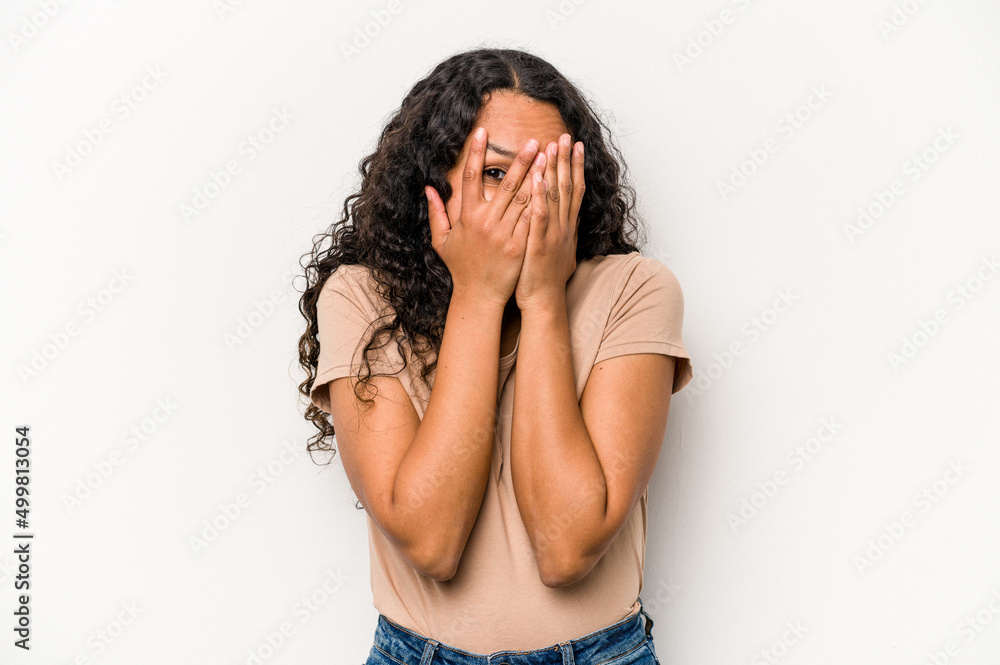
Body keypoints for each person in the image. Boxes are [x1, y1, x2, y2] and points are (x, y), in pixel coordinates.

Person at [297, 46, 693, 665]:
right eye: (493, 173)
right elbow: (432, 543)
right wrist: (478, 296)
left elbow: (567, 550)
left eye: (549, 176)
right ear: (435, 182)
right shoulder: (362, 297)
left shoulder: (634, 290)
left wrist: (542, 302)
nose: (528, 204)